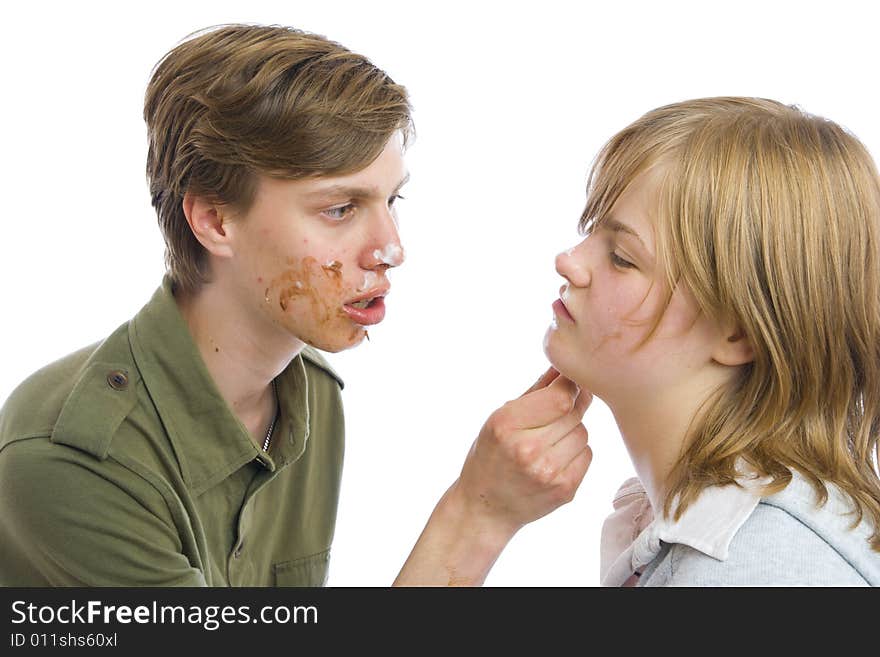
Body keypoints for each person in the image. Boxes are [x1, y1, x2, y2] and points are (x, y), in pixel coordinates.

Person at [0, 24, 592, 586]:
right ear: (214, 219)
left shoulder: (307, 395)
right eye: (339, 209)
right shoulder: (72, 459)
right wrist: (476, 515)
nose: (392, 248)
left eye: (393, 198)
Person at [544, 96, 880, 586]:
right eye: (591, 231)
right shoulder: (685, 529)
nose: (569, 260)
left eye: (620, 256)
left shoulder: (762, 568)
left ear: (738, 330)